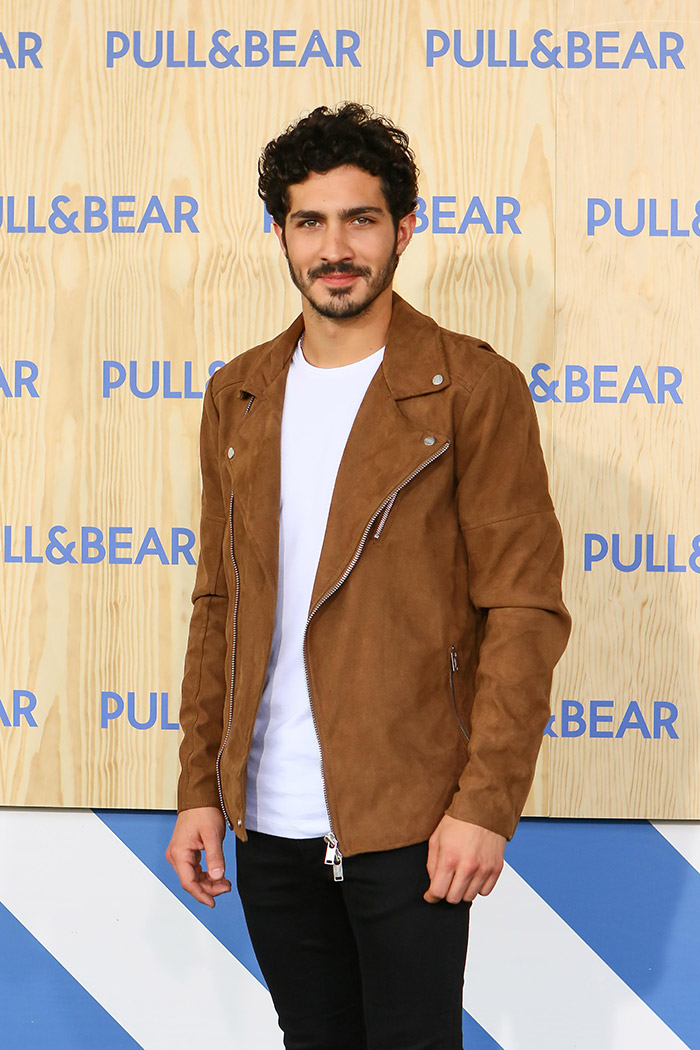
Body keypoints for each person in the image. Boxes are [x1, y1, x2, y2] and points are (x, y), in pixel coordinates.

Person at [166, 103, 570, 1050]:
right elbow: (219, 603)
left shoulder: (472, 388)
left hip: (411, 813)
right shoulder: (239, 393)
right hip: (267, 816)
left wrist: (484, 805)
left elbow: (524, 610)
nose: (335, 248)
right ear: (280, 234)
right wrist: (199, 786)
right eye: (310, 221)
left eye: (360, 219)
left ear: (403, 229)